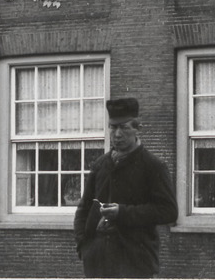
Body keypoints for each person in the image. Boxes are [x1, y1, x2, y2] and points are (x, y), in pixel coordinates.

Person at [74, 98, 178, 278]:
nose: (117, 134)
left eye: (124, 127)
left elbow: (169, 211)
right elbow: (84, 208)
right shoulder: (100, 164)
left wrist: (122, 213)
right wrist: (84, 245)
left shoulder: (153, 166)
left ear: (138, 128)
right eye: (113, 127)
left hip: (134, 263)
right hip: (97, 263)